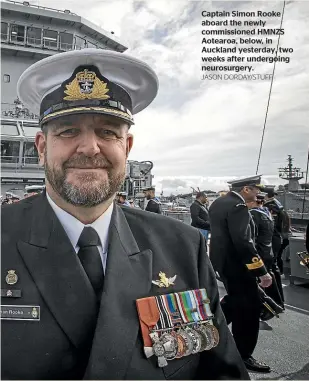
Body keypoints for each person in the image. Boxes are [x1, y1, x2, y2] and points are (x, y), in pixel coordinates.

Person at [1, 48, 249, 380]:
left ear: (127, 147)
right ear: (42, 147)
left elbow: (220, 372)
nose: (90, 148)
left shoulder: (182, 246)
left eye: (108, 132)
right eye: (68, 131)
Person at [209, 175, 273, 373]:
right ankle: (243, 354)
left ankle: (209, 334)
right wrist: (261, 271)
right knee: (249, 310)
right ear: (246, 189)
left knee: (234, 301)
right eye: (255, 190)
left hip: (223, 264)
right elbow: (244, 242)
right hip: (239, 266)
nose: (257, 193)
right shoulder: (238, 207)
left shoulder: (218, 202)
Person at [248, 194, 284, 310]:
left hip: (259, 252)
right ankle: (278, 302)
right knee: (269, 276)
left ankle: (266, 307)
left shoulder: (253, 215)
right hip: (269, 251)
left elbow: (251, 238)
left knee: (259, 281)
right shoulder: (267, 214)